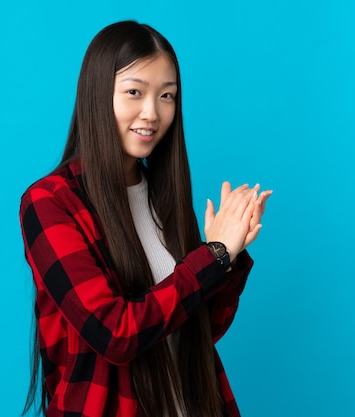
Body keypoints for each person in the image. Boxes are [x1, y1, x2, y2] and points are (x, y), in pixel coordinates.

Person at [19, 20, 272, 417]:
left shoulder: (163, 194)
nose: (152, 113)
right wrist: (214, 255)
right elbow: (115, 333)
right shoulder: (50, 203)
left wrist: (231, 253)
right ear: (98, 95)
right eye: (134, 92)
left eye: (167, 96)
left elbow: (199, 331)